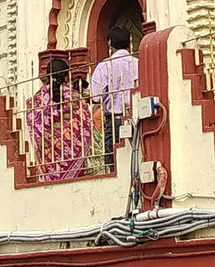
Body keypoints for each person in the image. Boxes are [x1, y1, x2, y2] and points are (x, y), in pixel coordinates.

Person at [26, 58, 91, 182]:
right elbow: (85, 123)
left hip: (49, 160)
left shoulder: (36, 100)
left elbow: (34, 124)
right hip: (71, 159)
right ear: (67, 76)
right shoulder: (74, 97)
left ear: (47, 75)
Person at [89, 26, 139, 171]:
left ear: (110, 43)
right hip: (137, 117)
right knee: (137, 158)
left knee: (115, 165)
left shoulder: (104, 66)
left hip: (114, 120)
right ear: (129, 42)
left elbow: (96, 96)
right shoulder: (137, 63)